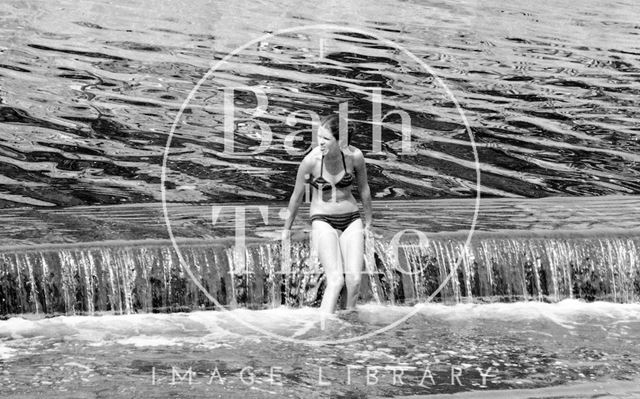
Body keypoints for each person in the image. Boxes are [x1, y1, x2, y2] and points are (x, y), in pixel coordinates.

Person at [282, 114, 373, 314]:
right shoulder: (311, 162)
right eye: (318, 137)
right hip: (322, 219)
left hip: (351, 218)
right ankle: (325, 327)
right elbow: (296, 197)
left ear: (340, 141)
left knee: (354, 280)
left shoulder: (354, 157)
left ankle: (347, 322)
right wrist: (286, 230)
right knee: (336, 280)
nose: (320, 143)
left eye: (325, 139)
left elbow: (364, 189)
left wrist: (369, 222)